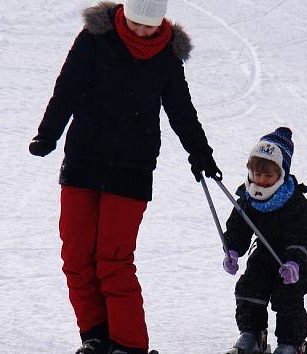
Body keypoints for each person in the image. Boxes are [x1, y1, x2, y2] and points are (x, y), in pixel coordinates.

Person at [28, 0, 221, 353]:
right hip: (84, 160)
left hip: (132, 168)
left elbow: (181, 109)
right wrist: (48, 133)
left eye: (150, 25)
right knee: (76, 255)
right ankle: (96, 336)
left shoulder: (166, 53)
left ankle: (130, 345)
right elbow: (67, 86)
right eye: (135, 23)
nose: (142, 31)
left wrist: (201, 153)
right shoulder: (95, 37)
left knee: (113, 259)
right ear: (124, 14)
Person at [221, 127, 307, 354]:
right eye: (257, 174)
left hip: (296, 257)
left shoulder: (297, 204)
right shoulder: (248, 199)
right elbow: (238, 227)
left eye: (268, 175)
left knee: (287, 297)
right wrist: (232, 250)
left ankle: (292, 345)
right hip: (265, 251)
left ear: (281, 174)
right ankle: (253, 335)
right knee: (249, 288)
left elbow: (302, 235)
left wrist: (294, 262)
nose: (261, 180)